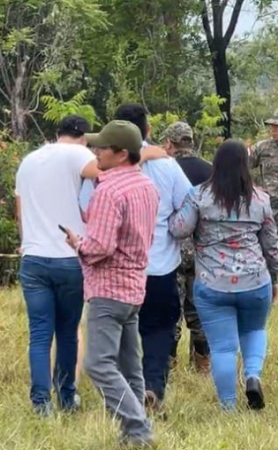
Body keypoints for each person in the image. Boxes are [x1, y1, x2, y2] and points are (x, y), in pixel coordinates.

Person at [64, 120, 159, 447]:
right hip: (134, 287)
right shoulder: (146, 185)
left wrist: (78, 244)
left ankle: (138, 429)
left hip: (108, 289)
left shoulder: (108, 189)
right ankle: (133, 436)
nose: (95, 151)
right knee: (131, 367)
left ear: (121, 154)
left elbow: (101, 247)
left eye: (102, 147)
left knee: (98, 364)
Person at [169, 139, 278, 411]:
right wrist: (275, 279)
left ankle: (228, 406)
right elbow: (272, 246)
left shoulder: (199, 196)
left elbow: (180, 229)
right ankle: (252, 375)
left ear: (215, 164)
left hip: (212, 283)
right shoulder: (261, 199)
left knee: (223, 348)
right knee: (254, 330)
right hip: (255, 281)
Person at [15, 115, 99, 415]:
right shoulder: (79, 153)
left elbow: (20, 209)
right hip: (68, 258)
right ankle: (66, 395)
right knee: (67, 330)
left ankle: (40, 402)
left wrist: (28, 242)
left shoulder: (29, 160)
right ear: (84, 137)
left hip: (34, 257)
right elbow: (107, 170)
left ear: (57, 132)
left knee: (39, 334)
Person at [115, 105, 191, 415]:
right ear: (148, 131)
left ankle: (127, 392)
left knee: (121, 330)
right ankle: (152, 387)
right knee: (159, 330)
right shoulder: (168, 166)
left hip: (118, 268)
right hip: (159, 265)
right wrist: (173, 228)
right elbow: (189, 205)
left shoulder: (104, 164)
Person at [162, 122, 212, 373]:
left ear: (170, 143)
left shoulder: (165, 169)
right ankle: (202, 363)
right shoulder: (210, 170)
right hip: (202, 249)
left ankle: (169, 362)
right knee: (199, 306)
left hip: (171, 248)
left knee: (171, 307)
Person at [249, 108, 278, 218]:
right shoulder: (262, 147)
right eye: (272, 126)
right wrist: (252, 187)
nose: (273, 130)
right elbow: (240, 166)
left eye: (277, 127)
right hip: (270, 207)